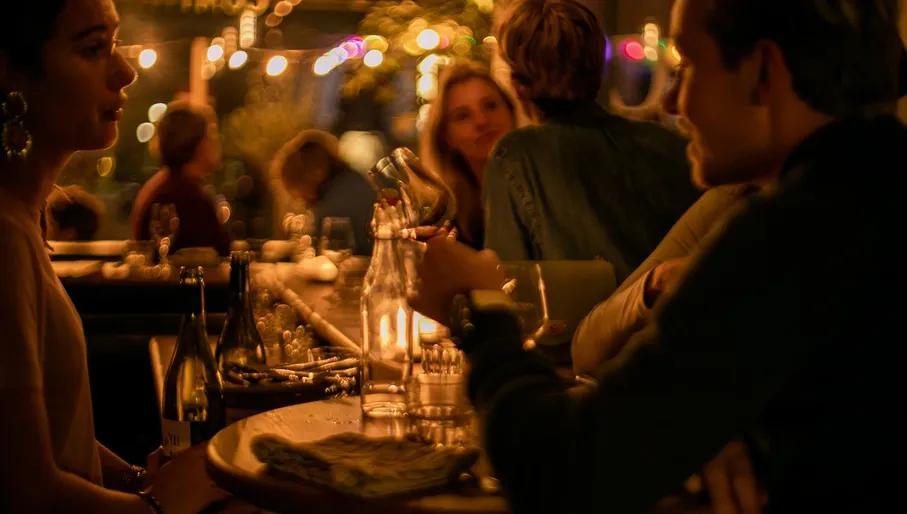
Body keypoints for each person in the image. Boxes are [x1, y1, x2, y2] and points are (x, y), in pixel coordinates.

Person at [413, 0, 904, 513]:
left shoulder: (791, 234)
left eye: (688, 68)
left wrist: (481, 306)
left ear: (764, 71)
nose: (670, 101)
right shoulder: (871, 193)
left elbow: (559, 471)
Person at [0, 1, 228, 513]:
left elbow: (44, 437)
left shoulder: (23, 221)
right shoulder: (4, 236)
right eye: (92, 48)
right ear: (10, 70)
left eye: (116, 43)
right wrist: (160, 508)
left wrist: (130, 479)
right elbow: (25, 491)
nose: (125, 71)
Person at [482, 0, 701, 283]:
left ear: (517, 85)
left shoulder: (515, 155)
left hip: (580, 327)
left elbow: (508, 286)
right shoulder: (669, 145)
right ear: (599, 69)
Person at [420, 61, 519, 249]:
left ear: (511, 112)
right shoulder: (444, 220)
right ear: (446, 137)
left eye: (490, 106)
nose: (481, 121)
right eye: (463, 116)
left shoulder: (541, 192)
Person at [130, 100, 231, 256]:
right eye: (212, 134)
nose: (218, 141)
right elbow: (215, 258)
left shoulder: (164, 184)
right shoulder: (186, 197)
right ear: (199, 144)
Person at [274, 129, 375, 256]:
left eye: (295, 189)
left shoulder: (331, 210)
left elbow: (320, 258)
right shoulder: (355, 180)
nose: (297, 199)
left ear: (309, 175)